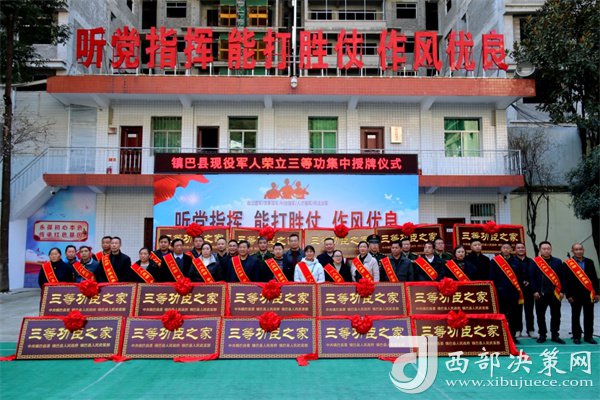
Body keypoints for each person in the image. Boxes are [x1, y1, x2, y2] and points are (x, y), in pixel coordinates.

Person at [530, 241, 566, 344]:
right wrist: (534, 291)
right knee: (540, 315)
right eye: (544, 249)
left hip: (555, 293)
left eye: (548, 249)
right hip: (540, 294)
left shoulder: (557, 261)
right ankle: (542, 335)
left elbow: (562, 277)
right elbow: (531, 278)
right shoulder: (535, 262)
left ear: (551, 249)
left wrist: (562, 291)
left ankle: (555, 335)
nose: (546, 251)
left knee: (556, 315)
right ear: (540, 250)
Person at [565, 243, 599, 344]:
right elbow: (566, 281)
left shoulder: (590, 262)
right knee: (575, 316)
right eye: (576, 249)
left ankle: (588, 336)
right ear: (572, 251)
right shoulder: (567, 264)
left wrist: (597, 293)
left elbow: (594, 278)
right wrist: (568, 295)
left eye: (580, 249)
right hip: (574, 295)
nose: (579, 251)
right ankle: (576, 336)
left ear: (583, 250)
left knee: (589, 316)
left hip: (589, 294)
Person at [490, 243, 524, 344]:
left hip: (513, 293)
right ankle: (501, 336)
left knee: (514, 316)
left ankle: (512, 336)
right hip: (500, 293)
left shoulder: (516, 261)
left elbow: (520, 277)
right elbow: (491, 277)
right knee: (501, 315)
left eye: (508, 248)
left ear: (511, 250)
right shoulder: (495, 261)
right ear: (501, 249)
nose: (506, 250)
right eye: (504, 248)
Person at [511, 242, 536, 337]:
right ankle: (518, 330)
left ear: (525, 249)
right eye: (518, 248)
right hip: (517, 290)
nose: (521, 249)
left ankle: (530, 330)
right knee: (517, 311)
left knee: (529, 311)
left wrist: (529, 282)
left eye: (522, 248)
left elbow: (534, 275)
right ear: (515, 250)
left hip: (528, 290)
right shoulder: (512, 261)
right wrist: (521, 282)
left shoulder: (531, 261)